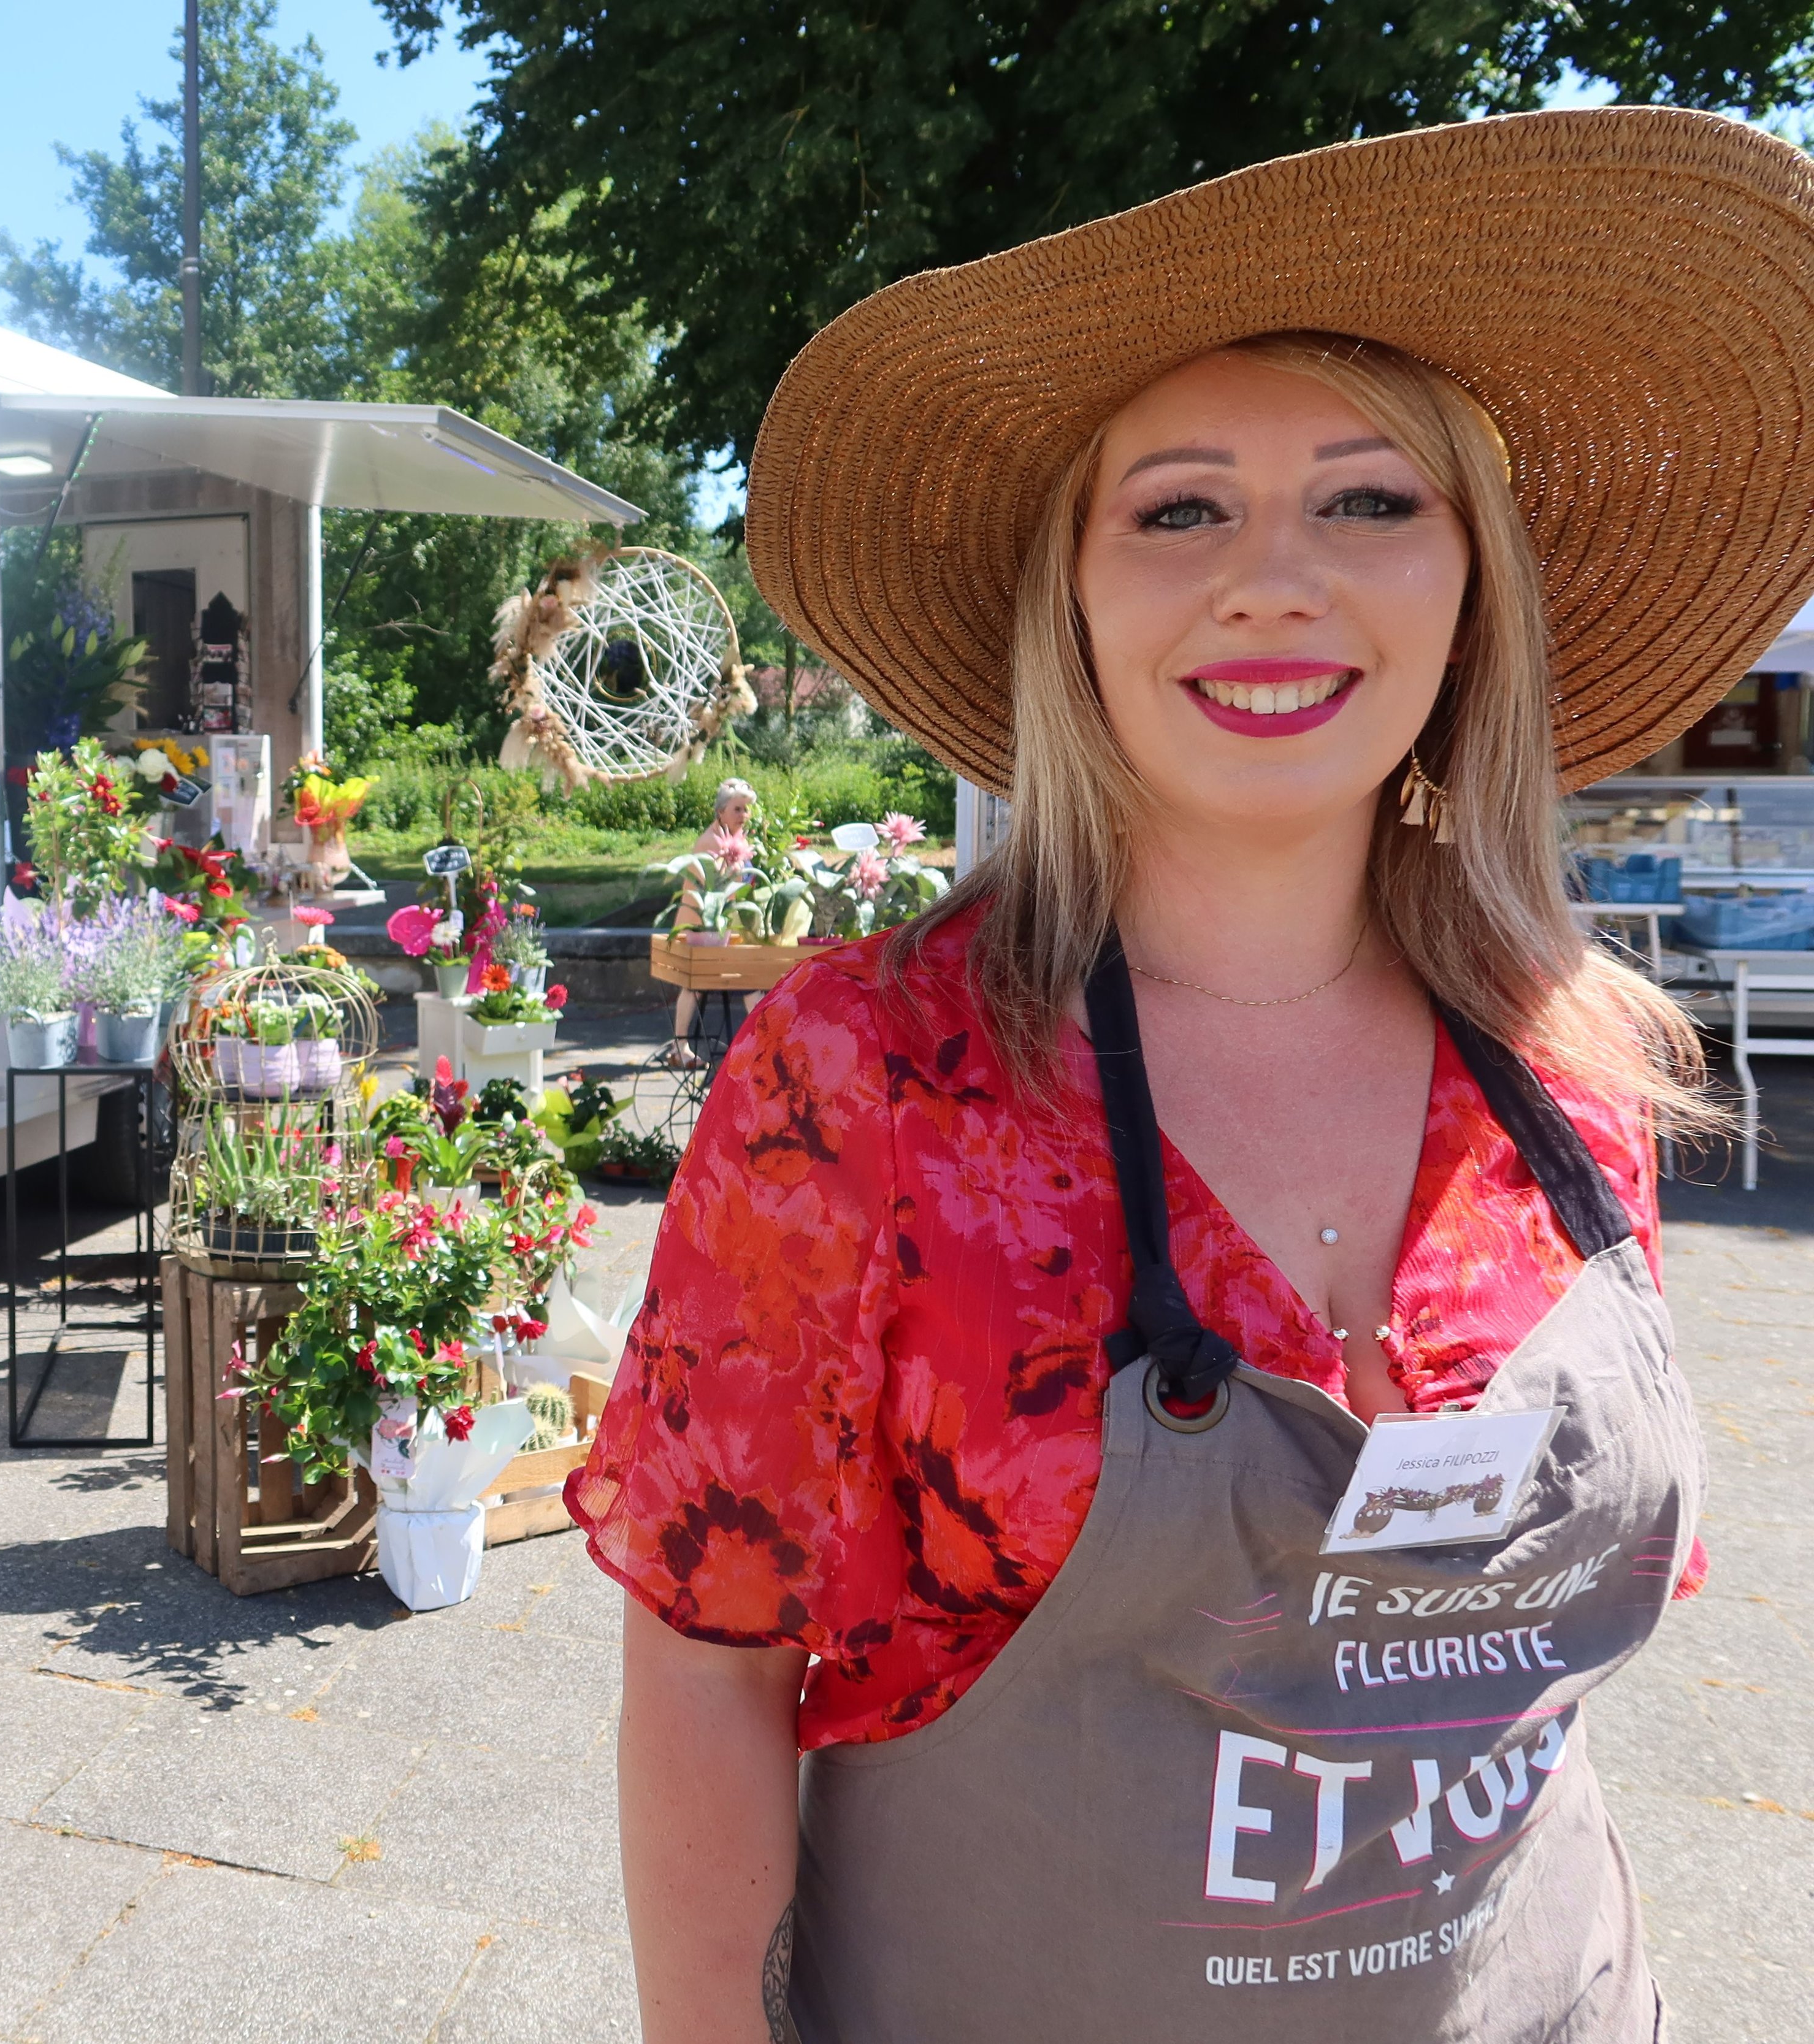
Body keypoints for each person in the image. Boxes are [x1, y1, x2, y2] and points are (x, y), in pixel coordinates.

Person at [568, 105, 1810, 2043]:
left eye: (1367, 501)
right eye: (1176, 508)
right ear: (1071, 598)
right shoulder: (867, 1081)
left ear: (1473, 585)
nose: (1273, 579)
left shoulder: (1577, 1066)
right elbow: (705, 1671)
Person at [665, 776, 760, 1065]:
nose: (744, 816)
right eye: (737, 810)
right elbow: (714, 890)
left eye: (746, 809)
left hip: (724, 927)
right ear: (721, 812)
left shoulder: (736, 838)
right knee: (702, 985)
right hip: (701, 925)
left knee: (749, 980)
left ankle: (762, 1042)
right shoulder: (711, 842)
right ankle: (681, 1047)